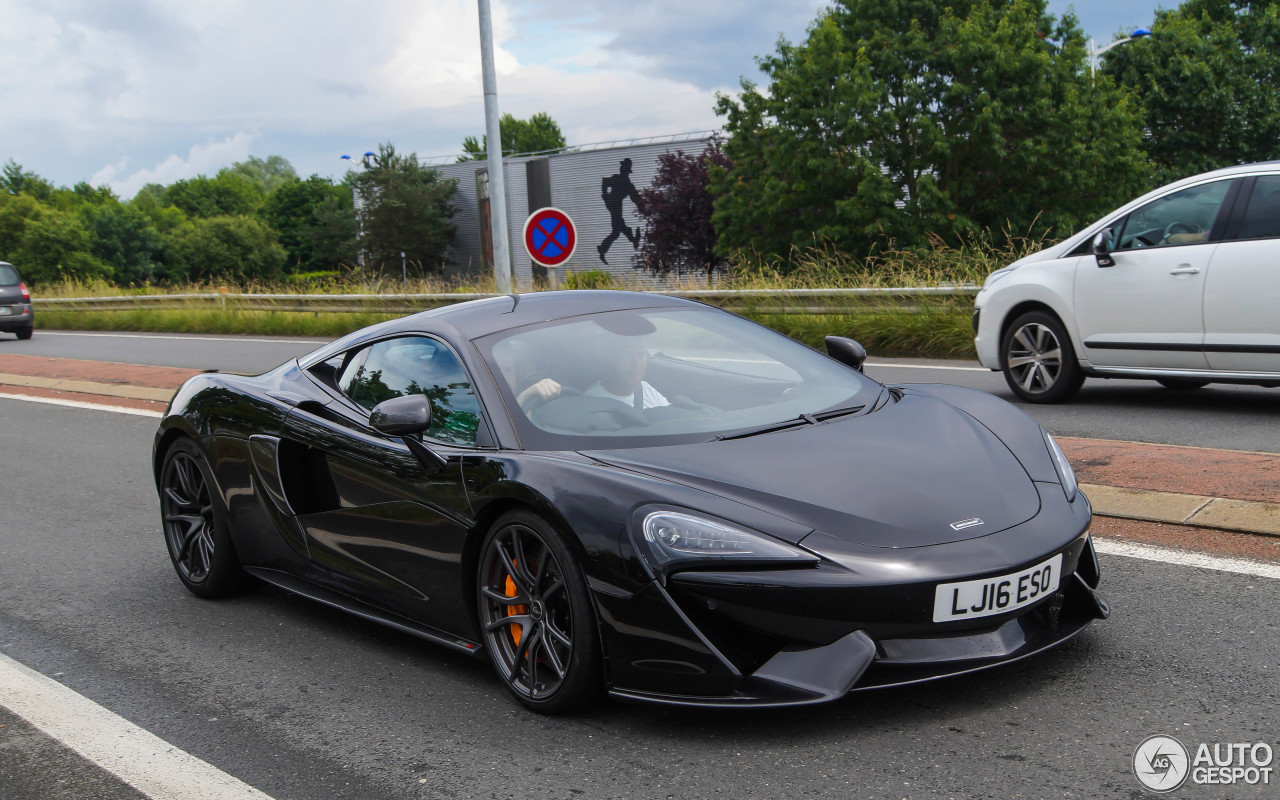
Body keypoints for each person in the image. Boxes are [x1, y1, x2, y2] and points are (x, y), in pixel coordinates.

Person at [585, 337, 669, 409]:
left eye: (641, 355)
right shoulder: (590, 401)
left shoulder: (646, 390)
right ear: (610, 360)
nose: (637, 363)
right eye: (627, 356)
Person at [491, 339, 562, 413]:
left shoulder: (538, 410)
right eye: (495, 371)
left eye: (508, 370)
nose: (503, 377)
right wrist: (524, 397)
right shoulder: (482, 412)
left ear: (516, 374)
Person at [597, 158, 640, 263]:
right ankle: (633, 240)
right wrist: (605, 196)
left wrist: (605, 196)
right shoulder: (619, 180)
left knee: (617, 231)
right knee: (619, 228)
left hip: (615, 206)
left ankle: (602, 249)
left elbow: (636, 199)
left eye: (623, 167)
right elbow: (605, 182)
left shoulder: (627, 184)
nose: (621, 168)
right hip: (614, 206)